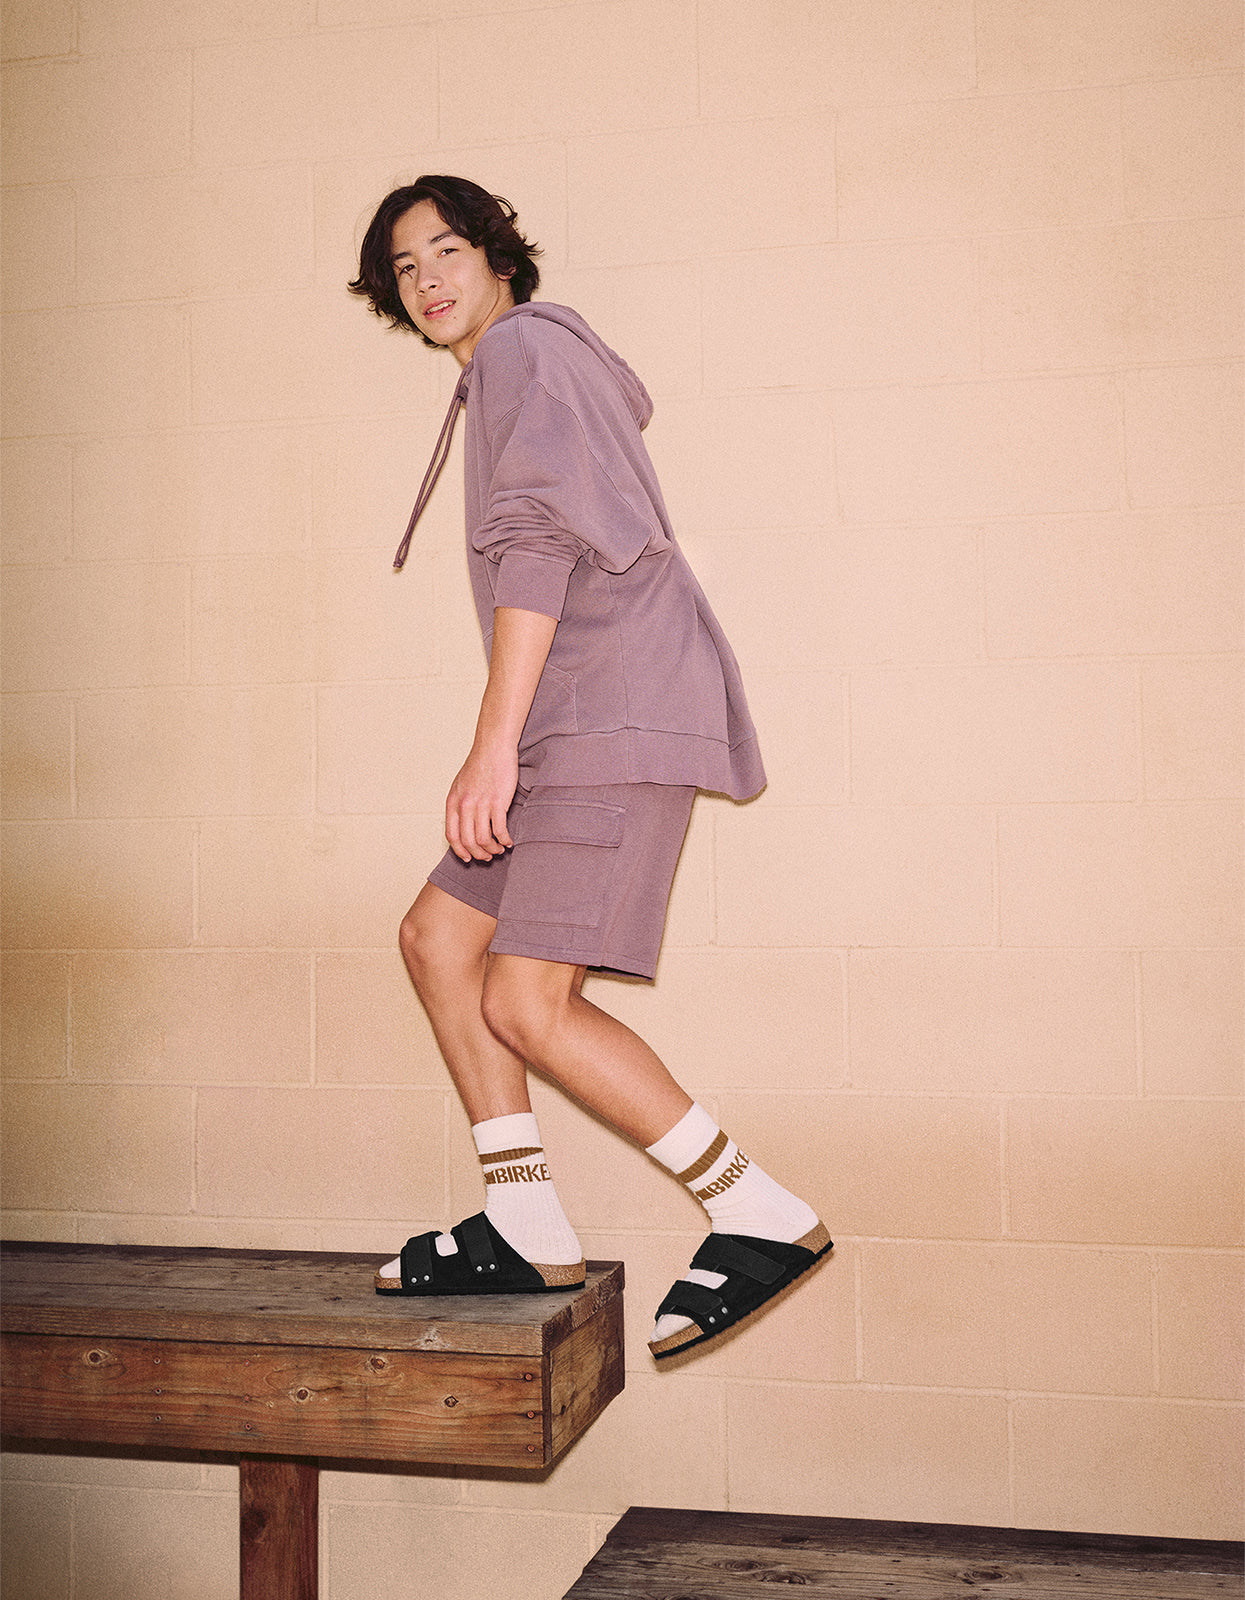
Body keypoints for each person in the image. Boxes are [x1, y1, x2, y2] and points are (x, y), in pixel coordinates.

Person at [348, 176, 830, 1359]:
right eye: (406, 268)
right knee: (440, 940)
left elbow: (539, 541)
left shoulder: (524, 350)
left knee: (527, 1000)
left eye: (446, 250)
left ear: (499, 257)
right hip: (576, 725)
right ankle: (523, 1217)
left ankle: (757, 1211)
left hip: (610, 722)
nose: (428, 280)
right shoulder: (518, 369)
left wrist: (492, 745)